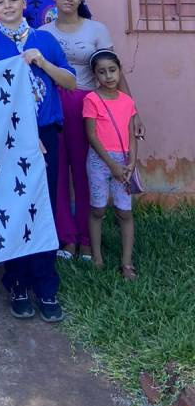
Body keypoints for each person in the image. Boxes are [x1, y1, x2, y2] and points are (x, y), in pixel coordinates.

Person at [0, 0, 76, 322]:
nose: (7, 7)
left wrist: (43, 63)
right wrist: (23, 134)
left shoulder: (44, 39)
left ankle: (46, 284)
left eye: (12, 0)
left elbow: (70, 81)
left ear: (23, 3)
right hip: (10, 138)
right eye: (0, 2)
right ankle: (17, 281)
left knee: (43, 207)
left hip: (47, 132)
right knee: (14, 207)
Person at [40, 0, 116, 260]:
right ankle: (66, 238)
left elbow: (111, 69)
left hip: (87, 105)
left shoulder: (97, 29)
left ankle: (86, 238)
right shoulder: (42, 33)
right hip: (53, 105)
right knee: (58, 171)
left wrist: (128, 108)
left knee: (85, 171)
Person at [83, 50, 139, 279]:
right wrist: (111, 165)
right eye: (102, 72)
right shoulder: (91, 99)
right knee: (98, 209)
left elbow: (131, 135)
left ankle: (127, 262)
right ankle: (97, 257)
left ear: (120, 71)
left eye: (112, 70)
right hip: (100, 161)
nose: (108, 76)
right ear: (95, 75)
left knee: (124, 211)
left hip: (124, 163)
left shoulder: (128, 101)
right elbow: (91, 135)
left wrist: (131, 163)